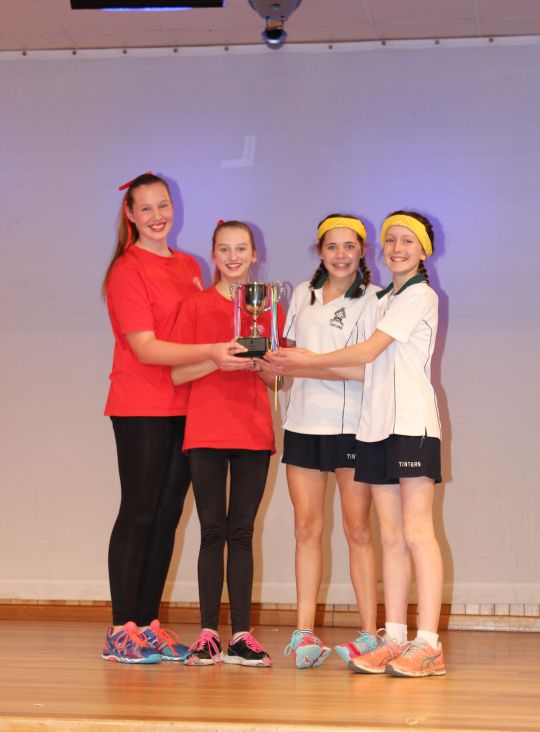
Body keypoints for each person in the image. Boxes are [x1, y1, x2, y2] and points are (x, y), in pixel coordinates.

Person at [267, 211, 446, 678]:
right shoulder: (385, 300)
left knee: (417, 533)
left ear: (424, 251)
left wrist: (308, 360)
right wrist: (287, 365)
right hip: (375, 429)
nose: (398, 248)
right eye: (392, 240)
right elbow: (361, 368)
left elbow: (366, 354)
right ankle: (394, 638)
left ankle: (429, 644)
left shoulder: (418, 295)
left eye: (408, 241)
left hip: (411, 426)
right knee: (390, 536)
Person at [102, 174, 245, 664]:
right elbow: (145, 347)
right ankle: (120, 629)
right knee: (139, 510)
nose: (157, 216)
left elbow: (202, 326)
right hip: (140, 405)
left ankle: (146, 625)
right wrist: (212, 351)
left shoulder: (189, 266)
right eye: (146, 209)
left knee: (167, 516)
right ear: (131, 215)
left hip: (188, 405)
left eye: (163, 205)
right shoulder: (126, 269)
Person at [172, 220, 283, 667]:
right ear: (213, 254)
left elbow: (279, 379)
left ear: (254, 254)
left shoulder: (268, 307)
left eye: (241, 249)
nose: (233, 257)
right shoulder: (195, 305)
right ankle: (207, 634)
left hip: (253, 431)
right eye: (224, 249)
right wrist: (218, 359)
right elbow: (178, 372)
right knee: (211, 531)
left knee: (242, 533)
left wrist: (263, 367)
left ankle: (240, 635)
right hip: (206, 430)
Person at [274, 214, 381, 669]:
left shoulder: (377, 299)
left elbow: (367, 370)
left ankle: (370, 634)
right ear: (320, 251)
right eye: (332, 246)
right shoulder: (302, 294)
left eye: (349, 246)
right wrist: (268, 364)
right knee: (306, 529)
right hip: (303, 424)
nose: (341, 255)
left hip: (355, 426)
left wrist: (309, 363)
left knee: (359, 531)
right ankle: (303, 633)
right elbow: (286, 361)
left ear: (362, 251)